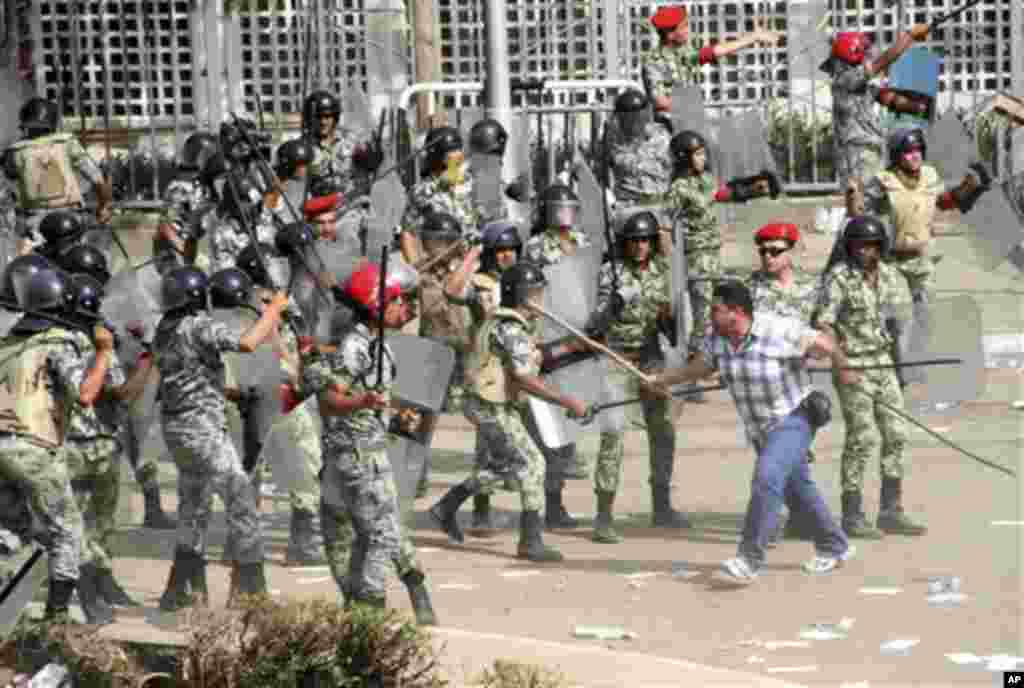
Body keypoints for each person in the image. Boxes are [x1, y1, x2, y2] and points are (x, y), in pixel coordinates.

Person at [650, 281, 854, 585]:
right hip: (760, 428)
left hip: (793, 416)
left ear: (736, 312)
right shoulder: (717, 340)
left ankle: (748, 559)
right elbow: (699, 369)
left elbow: (825, 344)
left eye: (715, 310)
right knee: (797, 488)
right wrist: (664, 380)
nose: (710, 316)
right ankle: (834, 545)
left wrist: (843, 367)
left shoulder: (777, 330)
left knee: (766, 478)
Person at [300, 259, 437, 624]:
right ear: (381, 303)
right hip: (343, 456)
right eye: (401, 301)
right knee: (344, 538)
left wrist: (393, 416)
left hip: (365, 455)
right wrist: (362, 401)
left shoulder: (378, 346)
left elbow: (366, 404)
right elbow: (332, 402)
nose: (408, 309)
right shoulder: (355, 348)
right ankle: (366, 604)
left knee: (379, 531)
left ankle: (373, 610)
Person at [429, 261, 590, 561]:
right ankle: (530, 541)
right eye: (536, 292)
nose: (541, 299)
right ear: (523, 295)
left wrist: (570, 348)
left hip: (487, 401)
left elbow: (530, 359)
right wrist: (568, 402)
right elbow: (524, 378)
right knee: (532, 465)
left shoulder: (509, 324)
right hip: (487, 405)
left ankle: (447, 506)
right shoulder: (511, 327)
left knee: (511, 465)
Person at [153, 266, 287, 611]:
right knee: (242, 502)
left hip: (177, 428)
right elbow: (246, 342)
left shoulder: (164, 329)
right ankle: (249, 590)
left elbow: (190, 373)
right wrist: (273, 311)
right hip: (203, 429)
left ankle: (184, 589)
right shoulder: (197, 325)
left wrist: (225, 391)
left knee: (193, 506)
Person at [0, 265, 114, 621]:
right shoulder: (60, 343)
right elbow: (85, 394)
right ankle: (57, 619)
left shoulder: (7, 344)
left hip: (3, 446)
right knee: (68, 530)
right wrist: (105, 352)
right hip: (33, 447)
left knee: (14, 530)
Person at [814, 215, 926, 539]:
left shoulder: (891, 276)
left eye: (871, 245)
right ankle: (852, 513)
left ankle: (891, 509)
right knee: (861, 437)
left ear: (881, 246)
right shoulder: (839, 278)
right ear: (849, 247)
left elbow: (899, 323)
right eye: (858, 245)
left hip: (883, 363)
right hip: (853, 364)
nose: (865, 251)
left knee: (897, 433)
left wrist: (903, 366)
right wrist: (840, 363)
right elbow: (824, 323)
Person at [585, 211, 686, 544]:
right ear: (624, 243)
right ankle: (603, 515)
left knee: (664, 430)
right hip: (617, 358)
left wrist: (669, 320)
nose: (640, 246)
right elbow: (594, 324)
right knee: (613, 434)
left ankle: (662, 505)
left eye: (645, 240)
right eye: (634, 241)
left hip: (651, 358)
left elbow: (673, 321)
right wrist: (614, 302)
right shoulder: (609, 273)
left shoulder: (662, 271)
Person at [61, 274, 155, 624]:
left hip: (98, 445)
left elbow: (119, 393)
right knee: (81, 525)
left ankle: (102, 582)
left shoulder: (89, 344)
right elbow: (104, 394)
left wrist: (141, 358)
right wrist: (128, 357)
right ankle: (86, 593)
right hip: (79, 446)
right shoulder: (79, 346)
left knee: (98, 524)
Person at [665, 129, 778, 400]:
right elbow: (665, 222)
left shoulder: (705, 180)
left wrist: (755, 189)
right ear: (684, 158)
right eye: (698, 154)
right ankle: (689, 378)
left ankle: (711, 367)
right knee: (703, 315)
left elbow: (723, 193)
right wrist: (668, 259)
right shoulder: (679, 189)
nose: (704, 159)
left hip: (713, 254)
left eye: (704, 153)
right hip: (696, 257)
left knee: (718, 312)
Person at [443, 220, 524, 529]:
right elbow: (450, 290)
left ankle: (546, 506)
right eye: (500, 250)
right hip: (489, 370)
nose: (506, 256)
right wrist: (473, 252)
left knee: (526, 441)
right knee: (490, 444)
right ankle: (480, 509)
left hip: (519, 367)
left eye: (511, 250)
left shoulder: (522, 279)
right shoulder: (479, 283)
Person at [747, 222, 823, 543]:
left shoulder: (811, 288)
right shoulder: (749, 288)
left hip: (797, 380)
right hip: (762, 382)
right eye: (763, 251)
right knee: (770, 452)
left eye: (775, 251)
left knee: (797, 450)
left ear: (791, 252)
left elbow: (822, 326)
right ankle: (774, 519)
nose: (768, 258)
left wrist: (817, 347)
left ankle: (798, 515)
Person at [855, 127, 990, 303]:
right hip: (890, 260)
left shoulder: (929, 174)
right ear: (897, 154)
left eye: (918, 150)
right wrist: (853, 197)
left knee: (927, 312)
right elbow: (860, 215)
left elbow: (943, 202)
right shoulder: (883, 180)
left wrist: (967, 187)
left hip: (921, 256)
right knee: (896, 315)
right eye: (908, 152)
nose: (915, 155)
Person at [822, 24, 933, 233]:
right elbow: (883, 61)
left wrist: (911, 105)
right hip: (857, 155)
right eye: (863, 52)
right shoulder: (845, 80)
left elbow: (883, 96)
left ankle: (878, 252)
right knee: (862, 213)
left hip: (871, 151)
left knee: (879, 209)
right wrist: (909, 36)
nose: (867, 56)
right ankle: (847, 258)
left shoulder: (857, 84)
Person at [3, 97, 111, 256]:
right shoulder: (67, 142)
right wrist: (104, 207)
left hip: (35, 226)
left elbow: (10, 177)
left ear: (24, 124)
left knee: (23, 265)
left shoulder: (15, 152)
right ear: (53, 122)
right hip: (72, 220)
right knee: (93, 257)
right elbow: (98, 180)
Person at [642, 5, 781, 114]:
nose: (687, 30)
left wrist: (752, 38)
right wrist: (691, 105)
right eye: (683, 27)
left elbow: (715, 51)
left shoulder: (682, 53)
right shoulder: (653, 62)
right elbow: (660, 101)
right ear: (669, 34)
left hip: (690, 123)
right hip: (667, 130)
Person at [398, 127, 479, 266]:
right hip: (439, 265)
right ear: (438, 155)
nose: (458, 155)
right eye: (452, 151)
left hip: (473, 263)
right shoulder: (421, 192)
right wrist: (417, 270)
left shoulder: (472, 185)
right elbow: (408, 233)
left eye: (458, 149)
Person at [155, 131, 220, 274]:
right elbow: (169, 230)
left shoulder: (206, 183)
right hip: (174, 262)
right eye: (212, 158)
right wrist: (188, 266)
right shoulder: (180, 188)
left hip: (193, 255)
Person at [606, 90, 671, 224]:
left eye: (635, 116)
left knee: (666, 239)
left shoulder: (661, 136)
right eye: (627, 117)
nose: (632, 122)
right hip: (628, 206)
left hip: (659, 204)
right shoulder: (613, 140)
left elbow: (670, 166)